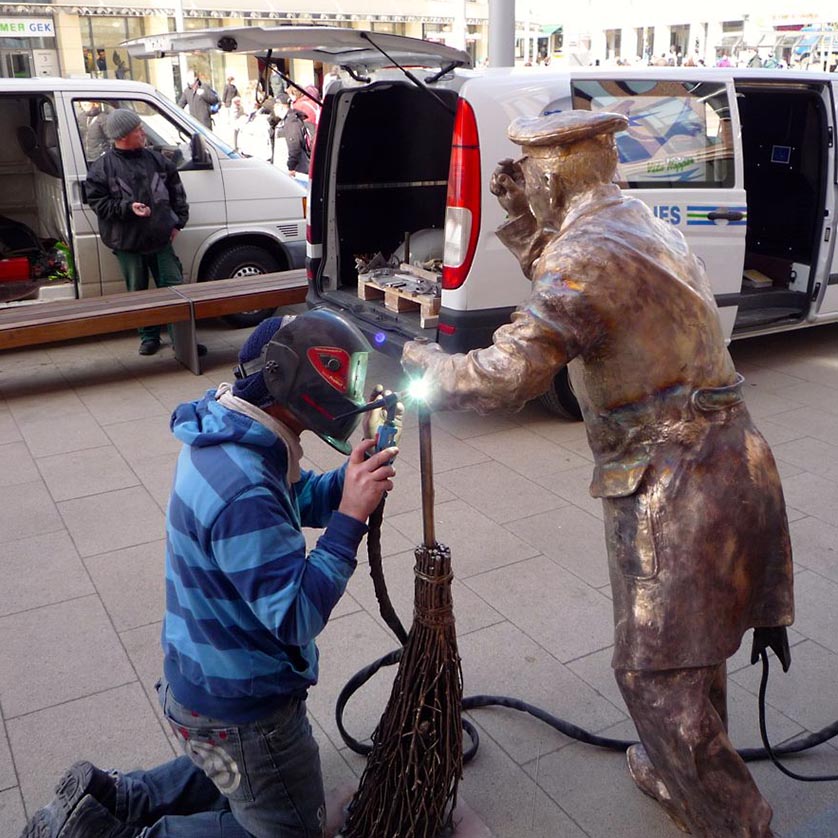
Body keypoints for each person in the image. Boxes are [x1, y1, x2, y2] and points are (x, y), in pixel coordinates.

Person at [402, 110, 794, 837]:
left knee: (654, 674)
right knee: (692, 648)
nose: (521, 182)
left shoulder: (586, 255)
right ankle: (686, 782)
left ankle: (738, 823)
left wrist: (430, 366)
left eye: (528, 174)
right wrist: (522, 222)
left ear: (550, 175)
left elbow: (511, 372)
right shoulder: (638, 221)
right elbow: (575, 285)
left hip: (674, 480)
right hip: (733, 460)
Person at [20, 310, 402, 838]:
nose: (351, 393)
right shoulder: (246, 486)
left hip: (200, 685)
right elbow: (296, 615)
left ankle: (114, 800)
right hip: (243, 707)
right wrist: (349, 521)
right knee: (287, 829)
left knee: (228, 766)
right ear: (289, 375)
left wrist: (345, 483)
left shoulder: (235, 437)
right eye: (340, 375)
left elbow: (290, 501)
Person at [85, 108, 195, 357]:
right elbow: (98, 204)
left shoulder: (158, 160)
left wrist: (178, 223)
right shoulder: (102, 168)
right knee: (139, 294)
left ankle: (182, 339)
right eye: (138, 130)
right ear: (123, 136)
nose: (143, 132)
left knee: (175, 290)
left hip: (161, 240)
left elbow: (177, 192)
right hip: (127, 243)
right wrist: (127, 208)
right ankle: (149, 337)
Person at [274, 98, 310, 179]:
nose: (273, 109)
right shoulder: (288, 120)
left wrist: (291, 166)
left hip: (296, 171)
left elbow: (294, 145)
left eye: (275, 106)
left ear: (281, 107)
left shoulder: (291, 121)